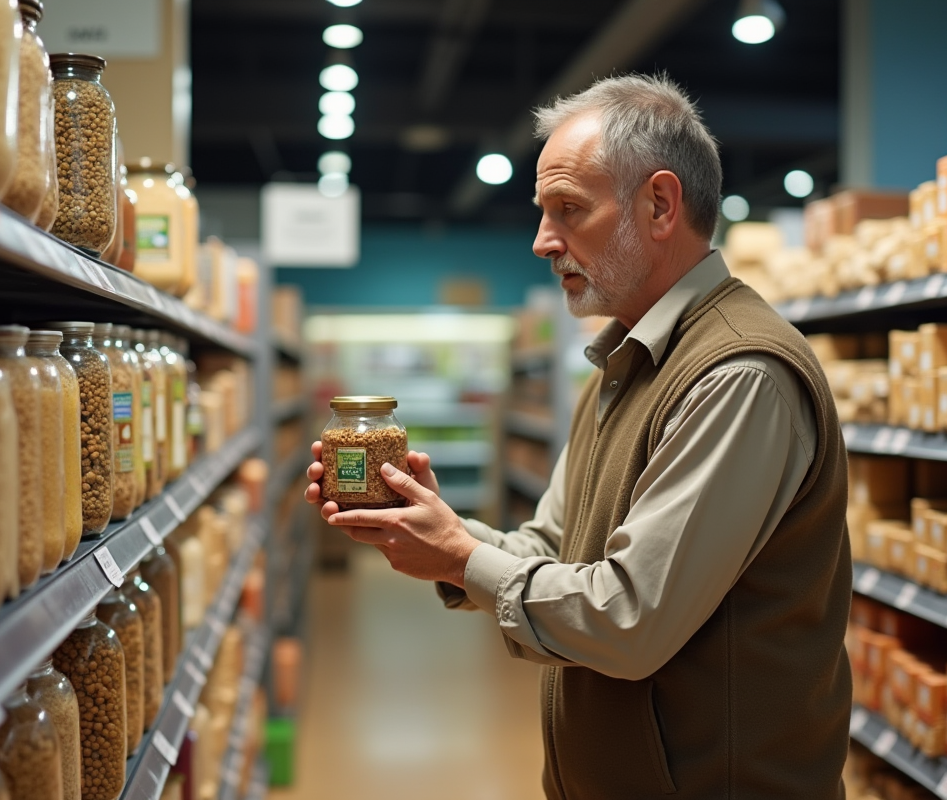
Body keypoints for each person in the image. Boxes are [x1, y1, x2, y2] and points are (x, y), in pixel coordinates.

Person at [304, 72, 851, 799]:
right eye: (542, 212)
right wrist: (434, 535)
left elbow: (627, 618)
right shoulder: (622, 367)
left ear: (660, 205)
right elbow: (553, 550)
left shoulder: (737, 375)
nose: (540, 241)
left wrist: (464, 558)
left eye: (568, 210)